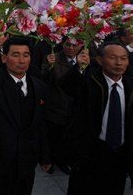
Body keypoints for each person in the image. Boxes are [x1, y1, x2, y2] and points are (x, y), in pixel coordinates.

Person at [57, 42, 133, 195]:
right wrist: (79, 67)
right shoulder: (90, 81)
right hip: (91, 152)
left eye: (123, 58)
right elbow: (68, 86)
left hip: (120, 154)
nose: (118, 63)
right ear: (99, 60)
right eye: (113, 58)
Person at [0, 36, 51, 195]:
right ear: (4, 58)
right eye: (15, 55)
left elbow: (41, 124)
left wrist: (45, 156)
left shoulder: (39, 86)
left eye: (26, 55)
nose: (22, 60)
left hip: (27, 161)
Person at [41, 38, 89, 175]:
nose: (71, 48)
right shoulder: (53, 58)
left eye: (75, 45)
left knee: (67, 137)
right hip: (56, 105)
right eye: (68, 44)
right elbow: (43, 80)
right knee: (53, 136)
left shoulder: (86, 60)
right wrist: (49, 68)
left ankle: (62, 160)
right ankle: (48, 160)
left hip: (73, 107)